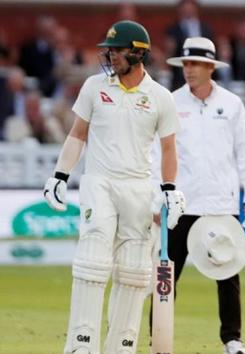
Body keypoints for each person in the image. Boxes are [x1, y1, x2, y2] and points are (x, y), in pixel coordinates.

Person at [43, 20, 185, 354]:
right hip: (99, 182)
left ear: (138, 53)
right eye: (109, 50)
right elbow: (78, 134)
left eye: (116, 50)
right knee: (92, 260)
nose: (109, 56)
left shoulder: (160, 97)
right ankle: (81, 343)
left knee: (135, 270)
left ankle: (122, 345)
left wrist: (170, 189)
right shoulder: (94, 87)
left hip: (137, 186)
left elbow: (168, 149)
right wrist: (59, 175)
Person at [150, 37, 245, 354]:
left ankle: (233, 340)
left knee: (228, 273)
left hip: (219, 203)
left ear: (211, 67)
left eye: (195, 63)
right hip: (179, 204)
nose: (189, 70)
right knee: (166, 276)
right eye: (185, 64)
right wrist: (157, 198)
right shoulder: (171, 102)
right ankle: (158, 338)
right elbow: (157, 153)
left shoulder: (231, 104)